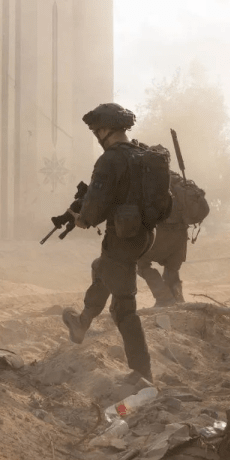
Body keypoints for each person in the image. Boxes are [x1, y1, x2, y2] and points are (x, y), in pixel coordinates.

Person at [61, 103, 155, 382]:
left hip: (122, 237)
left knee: (124, 309)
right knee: (103, 268)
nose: (96, 136)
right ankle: (82, 323)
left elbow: (96, 205)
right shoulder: (142, 154)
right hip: (144, 235)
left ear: (106, 130)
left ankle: (142, 373)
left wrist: (82, 219)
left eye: (96, 131)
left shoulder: (110, 160)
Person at [137, 145, 188, 307]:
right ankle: (178, 300)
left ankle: (164, 298)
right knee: (172, 269)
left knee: (141, 263)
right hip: (181, 236)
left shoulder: (149, 180)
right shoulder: (179, 179)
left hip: (161, 234)